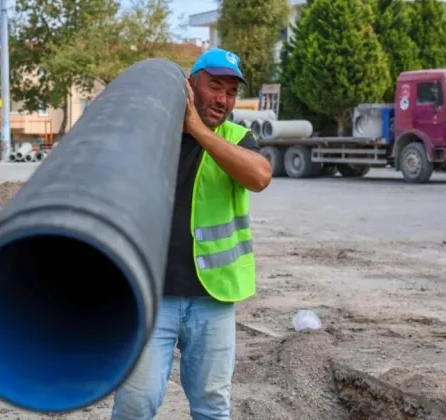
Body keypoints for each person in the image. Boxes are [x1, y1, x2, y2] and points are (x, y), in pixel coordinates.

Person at [111, 48, 272, 420]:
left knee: (212, 406)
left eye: (231, 92)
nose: (222, 99)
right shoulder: (153, 133)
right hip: (152, 297)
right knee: (136, 403)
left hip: (212, 298)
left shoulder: (236, 137)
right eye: (215, 86)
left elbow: (260, 176)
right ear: (190, 85)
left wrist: (199, 131)